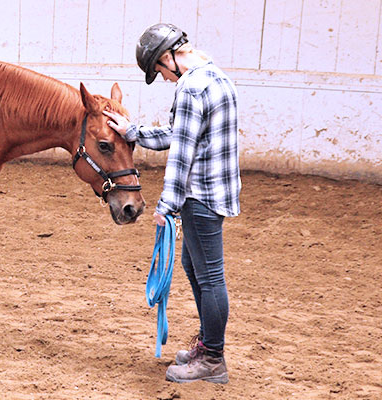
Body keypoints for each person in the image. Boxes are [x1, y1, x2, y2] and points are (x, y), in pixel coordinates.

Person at [104, 23, 241, 384]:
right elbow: (180, 133)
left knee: (209, 276)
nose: (163, 79)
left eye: (159, 71)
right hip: (216, 192)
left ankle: (212, 358)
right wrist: (134, 133)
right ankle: (208, 346)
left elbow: (181, 153)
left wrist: (166, 205)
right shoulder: (216, 77)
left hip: (199, 195)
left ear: (168, 58)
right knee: (195, 268)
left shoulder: (190, 88)